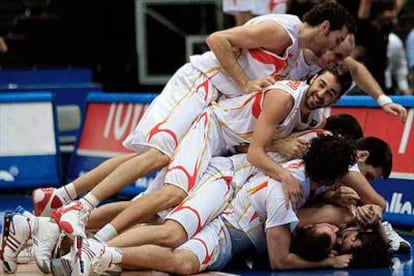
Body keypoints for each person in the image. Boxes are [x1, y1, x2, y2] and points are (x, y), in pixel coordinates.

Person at [32, 1, 356, 222]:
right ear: (325, 27)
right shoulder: (282, 31)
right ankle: (77, 206)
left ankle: (61, 197)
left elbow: (351, 68)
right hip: (202, 82)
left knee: (158, 165)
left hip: (222, 104)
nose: (336, 53)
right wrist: (244, 83)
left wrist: (383, 98)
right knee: (160, 155)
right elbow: (217, 39)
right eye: (338, 40)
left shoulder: (307, 63)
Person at [49, 64, 352, 243]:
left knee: (155, 208)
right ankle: (92, 234)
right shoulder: (284, 98)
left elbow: (257, 146)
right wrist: (285, 175)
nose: (322, 94)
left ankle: (55, 227)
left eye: (330, 93)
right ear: (313, 78)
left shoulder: (314, 118)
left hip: (230, 151)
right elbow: (257, 153)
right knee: (171, 193)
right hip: (212, 130)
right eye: (321, 85)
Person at [57, 135, 357, 275]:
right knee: (168, 231)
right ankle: (90, 243)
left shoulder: (306, 165)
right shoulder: (287, 192)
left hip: (227, 200)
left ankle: (83, 245)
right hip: (223, 195)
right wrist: (327, 261)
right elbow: (279, 261)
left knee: (156, 224)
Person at [288, 34, 408, 121]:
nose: (341, 61)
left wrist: (384, 101)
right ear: (327, 45)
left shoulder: (331, 60)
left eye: (344, 57)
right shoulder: (290, 47)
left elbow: (357, 69)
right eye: (338, 55)